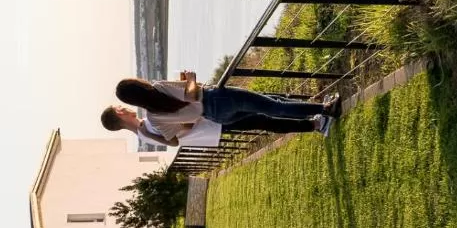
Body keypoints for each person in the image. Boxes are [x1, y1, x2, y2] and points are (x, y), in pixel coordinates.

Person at [100, 71, 341, 147]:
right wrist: (190, 77)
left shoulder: (152, 115)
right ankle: (325, 109)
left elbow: (175, 137)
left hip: (213, 116)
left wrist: (187, 119)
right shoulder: (158, 88)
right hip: (215, 98)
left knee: (268, 112)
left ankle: (319, 117)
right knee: (272, 107)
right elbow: (192, 93)